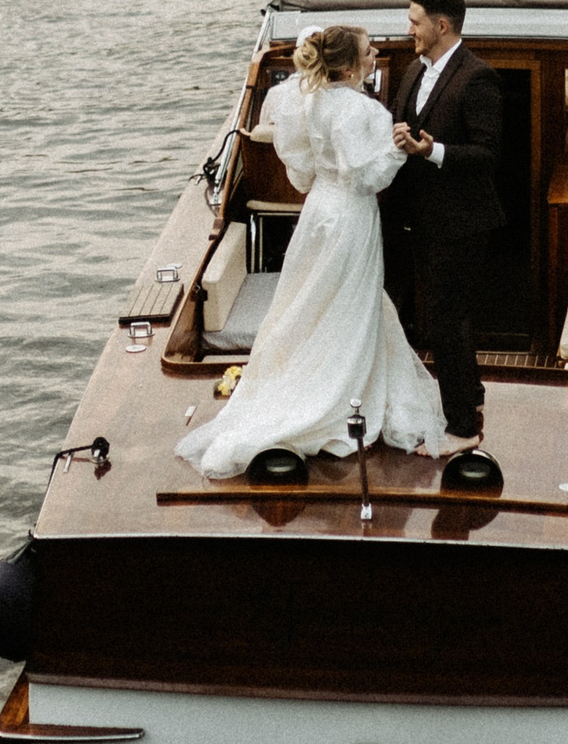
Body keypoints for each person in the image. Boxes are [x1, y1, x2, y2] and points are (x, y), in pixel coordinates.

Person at [174, 25, 447, 480]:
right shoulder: (364, 110)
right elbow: (367, 177)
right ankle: (339, 398)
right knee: (351, 302)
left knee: (311, 300)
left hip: (319, 209)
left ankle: (314, 383)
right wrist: (400, 150)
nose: (375, 54)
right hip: (353, 216)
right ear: (349, 64)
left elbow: (301, 168)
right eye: (368, 50)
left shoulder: (308, 101)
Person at [385, 0, 502, 446]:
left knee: (444, 319)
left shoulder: (478, 78)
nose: (408, 28)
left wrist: (434, 151)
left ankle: (462, 428)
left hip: (462, 221)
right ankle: (470, 393)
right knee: (443, 314)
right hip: (418, 218)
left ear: (441, 25)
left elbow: (490, 154)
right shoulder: (414, 71)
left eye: (414, 21)